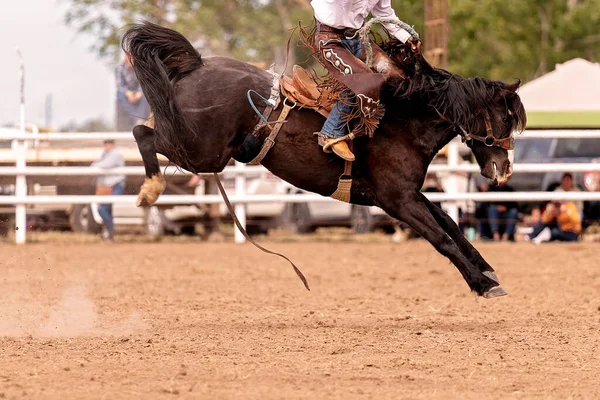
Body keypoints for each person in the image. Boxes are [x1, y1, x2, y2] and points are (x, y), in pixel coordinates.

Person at [310, 0, 421, 161]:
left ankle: (388, 129)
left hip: (357, 39)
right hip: (330, 41)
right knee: (364, 80)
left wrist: (407, 37)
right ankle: (331, 132)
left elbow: (384, 12)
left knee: (397, 76)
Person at [92, 140, 126, 241]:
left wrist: (95, 165)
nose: (106, 146)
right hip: (109, 186)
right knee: (106, 209)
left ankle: (110, 231)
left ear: (112, 144)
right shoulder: (107, 154)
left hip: (115, 185)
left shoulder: (115, 154)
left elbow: (103, 165)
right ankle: (108, 233)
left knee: (102, 209)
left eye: (107, 144)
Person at [115, 52, 150, 130]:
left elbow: (143, 83)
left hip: (138, 92)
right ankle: (136, 119)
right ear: (125, 58)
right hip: (125, 92)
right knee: (120, 95)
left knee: (146, 94)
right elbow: (119, 85)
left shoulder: (140, 68)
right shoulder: (119, 68)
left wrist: (138, 94)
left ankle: (140, 120)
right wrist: (129, 94)